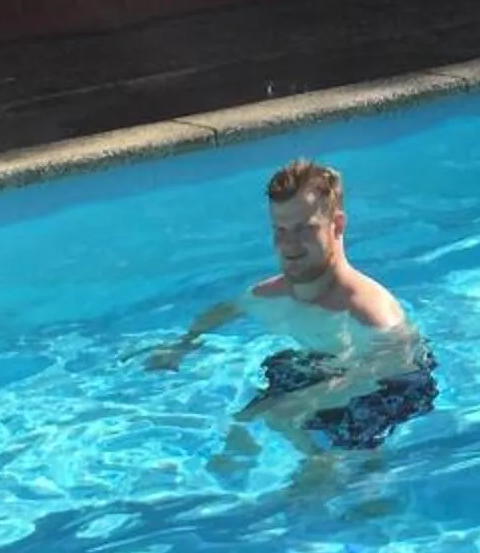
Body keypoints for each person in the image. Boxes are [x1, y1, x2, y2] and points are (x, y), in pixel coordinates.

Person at [147, 159, 437, 455]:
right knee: (246, 416)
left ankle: (341, 469)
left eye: (304, 229)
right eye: (280, 230)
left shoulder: (370, 311)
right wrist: (181, 345)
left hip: (392, 388)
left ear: (337, 225)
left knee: (324, 445)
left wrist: (303, 403)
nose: (289, 245)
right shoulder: (273, 293)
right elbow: (227, 310)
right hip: (329, 368)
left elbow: (397, 364)